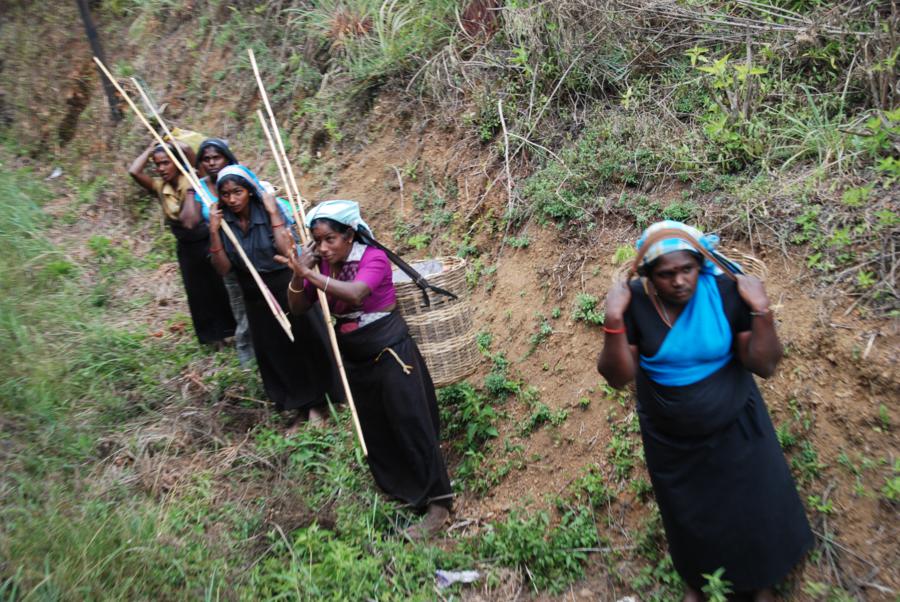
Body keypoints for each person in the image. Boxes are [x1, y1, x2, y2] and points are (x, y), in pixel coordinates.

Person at [597, 221, 813, 601]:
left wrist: (762, 310)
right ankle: (699, 583)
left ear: (700, 264)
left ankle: (762, 584)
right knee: (691, 516)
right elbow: (618, 377)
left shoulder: (727, 292)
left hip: (737, 427)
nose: (680, 281)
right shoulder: (634, 305)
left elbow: (764, 365)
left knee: (754, 505)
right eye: (666, 274)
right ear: (648, 276)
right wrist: (613, 322)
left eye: (687, 269)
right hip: (671, 440)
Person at [279, 200, 453, 540]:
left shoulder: (372, 258)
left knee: (411, 423)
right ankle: (406, 491)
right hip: (355, 355)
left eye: (330, 239)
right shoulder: (323, 266)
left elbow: (357, 295)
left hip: (389, 351)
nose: (324, 247)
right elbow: (298, 306)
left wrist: (311, 274)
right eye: (318, 241)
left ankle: (439, 505)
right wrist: (298, 274)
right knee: (378, 428)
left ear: (349, 235)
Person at [207, 165, 340, 426]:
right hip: (255, 296)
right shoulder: (223, 223)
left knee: (305, 341)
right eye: (226, 194)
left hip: (286, 286)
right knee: (278, 352)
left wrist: (272, 210)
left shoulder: (268, 211)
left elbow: (288, 251)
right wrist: (213, 230)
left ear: (250, 191)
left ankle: (323, 402)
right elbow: (222, 268)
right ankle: (301, 405)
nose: (232, 199)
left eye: (238, 192)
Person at [128, 142, 235, 347]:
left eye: (166, 163)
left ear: (176, 163)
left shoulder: (194, 181)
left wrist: (173, 144)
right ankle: (211, 337)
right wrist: (150, 148)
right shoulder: (160, 187)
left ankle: (231, 331)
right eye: (157, 164)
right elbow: (134, 171)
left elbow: (190, 153)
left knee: (219, 286)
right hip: (186, 246)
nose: (161, 169)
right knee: (197, 291)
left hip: (207, 239)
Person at [193, 138, 254, 366]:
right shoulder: (196, 187)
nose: (211, 163)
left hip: (253, 248)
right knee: (239, 306)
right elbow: (191, 220)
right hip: (225, 253)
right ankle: (247, 360)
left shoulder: (239, 177)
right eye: (205, 159)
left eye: (216, 157)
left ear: (227, 158)